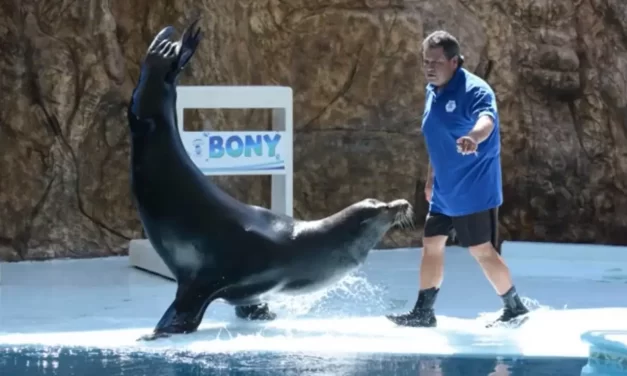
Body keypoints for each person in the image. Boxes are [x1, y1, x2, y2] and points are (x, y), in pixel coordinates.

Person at [386, 30, 529, 328]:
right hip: (444, 188)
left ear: (455, 62)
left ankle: (514, 307)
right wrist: (430, 180)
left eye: (436, 62)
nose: (429, 67)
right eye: (426, 61)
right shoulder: (433, 90)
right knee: (432, 242)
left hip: (474, 187)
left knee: (480, 250)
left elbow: (486, 119)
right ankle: (424, 312)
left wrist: (473, 138)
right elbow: (436, 139)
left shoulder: (475, 90)